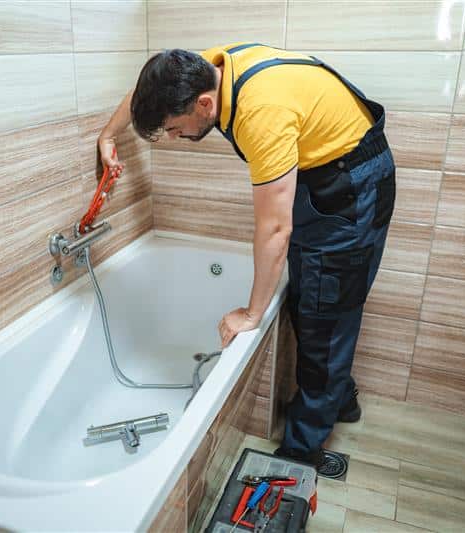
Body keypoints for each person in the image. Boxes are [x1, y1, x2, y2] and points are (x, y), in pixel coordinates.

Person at [96, 43, 395, 474]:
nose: (175, 138)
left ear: (203, 104)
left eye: (175, 129)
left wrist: (252, 314)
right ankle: (338, 398)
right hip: (327, 175)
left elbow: (274, 229)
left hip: (352, 188)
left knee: (324, 315)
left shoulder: (261, 113)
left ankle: (302, 451)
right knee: (312, 301)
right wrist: (108, 135)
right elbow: (143, 94)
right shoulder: (206, 69)